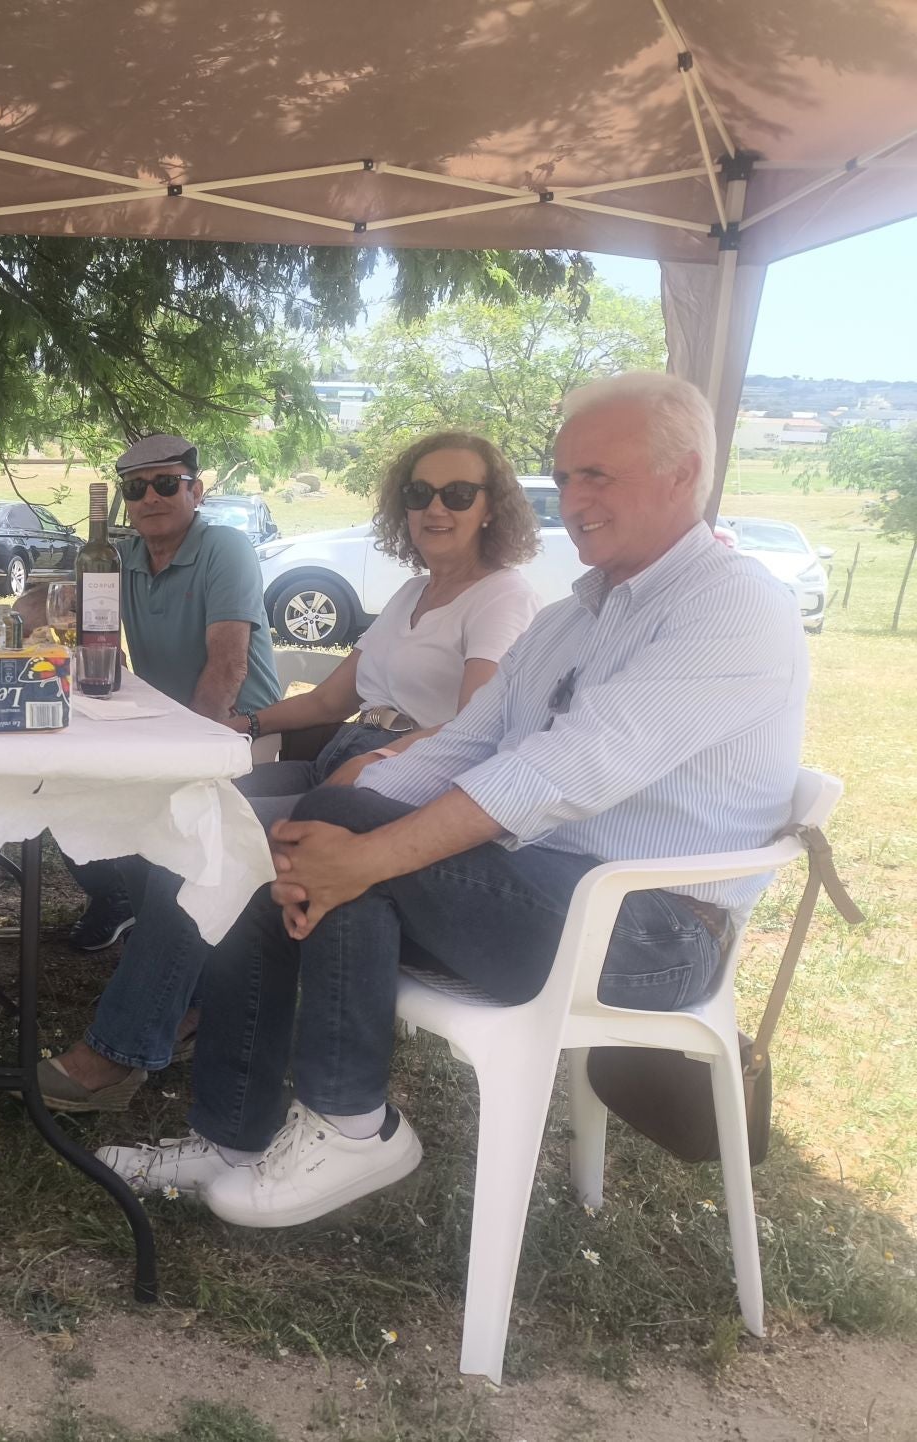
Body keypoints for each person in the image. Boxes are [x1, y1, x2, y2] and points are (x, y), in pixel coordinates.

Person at [96, 372, 808, 1229]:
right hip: (529, 887)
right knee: (293, 840)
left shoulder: (732, 604)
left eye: (598, 476)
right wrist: (324, 833)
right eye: (566, 474)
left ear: (683, 473)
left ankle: (352, 1122)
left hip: (651, 930)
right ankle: (237, 1136)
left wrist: (364, 848)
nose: (573, 499)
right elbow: (469, 743)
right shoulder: (572, 617)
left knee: (345, 848)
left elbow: (568, 764)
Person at [29, 432, 285, 1111]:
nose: (149, 499)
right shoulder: (124, 557)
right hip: (156, 733)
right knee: (61, 795)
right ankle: (188, 999)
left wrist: (190, 757)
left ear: (196, 491)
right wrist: (9, 613)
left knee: (183, 847)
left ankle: (121, 1050)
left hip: (237, 739)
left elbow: (227, 665)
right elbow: (57, 605)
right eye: (135, 488)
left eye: (166, 484)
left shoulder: (223, 547)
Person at [230, 432, 542, 812]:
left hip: (401, 783)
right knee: (196, 800)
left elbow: (475, 729)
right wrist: (244, 724)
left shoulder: (502, 599)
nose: (435, 508)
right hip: (337, 760)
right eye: (419, 493)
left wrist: (377, 761)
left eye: (458, 494)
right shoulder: (412, 593)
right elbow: (328, 701)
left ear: (491, 508)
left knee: (216, 834)